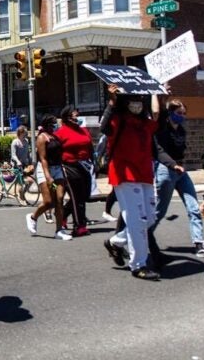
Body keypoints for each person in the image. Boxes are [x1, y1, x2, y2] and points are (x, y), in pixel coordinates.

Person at [100, 85, 160, 281]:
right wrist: (112, 100)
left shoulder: (145, 122)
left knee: (150, 217)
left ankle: (115, 242)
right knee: (137, 220)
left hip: (144, 174)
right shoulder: (118, 119)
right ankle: (138, 264)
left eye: (140, 101)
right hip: (124, 173)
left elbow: (157, 114)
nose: (137, 104)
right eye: (132, 100)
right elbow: (104, 126)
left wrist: (155, 92)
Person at [152, 99, 204, 258]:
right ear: (170, 113)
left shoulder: (181, 130)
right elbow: (157, 112)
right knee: (159, 211)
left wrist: (179, 166)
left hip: (181, 170)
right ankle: (139, 236)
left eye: (183, 113)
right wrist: (160, 93)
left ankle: (199, 244)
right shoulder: (162, 127)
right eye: (178, 113)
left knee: (193, 207)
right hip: (166, 170)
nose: (182, 116)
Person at [26, 114, 72, 240]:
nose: (56, 125)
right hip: (45, 170)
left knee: (60, 198)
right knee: (48, 202)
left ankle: (59, 230)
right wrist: (47, 175)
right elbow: (43, 158)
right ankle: (33, 217)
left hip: (58, 169)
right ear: (47, 124)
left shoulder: (55, 136)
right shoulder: (42, 137)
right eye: (53, 123)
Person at [55, 105, 94, 237]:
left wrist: (94, 162)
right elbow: (54, 151)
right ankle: (79, 226)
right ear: (67, 117)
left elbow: (90, 146)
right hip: (69, 166)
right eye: (74, 114)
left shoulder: (83, 130)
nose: (76, 116)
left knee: (85, 195)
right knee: (77, 197)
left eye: (77, 114)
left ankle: (64, 215)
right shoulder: (60, 133)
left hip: (85, 165)